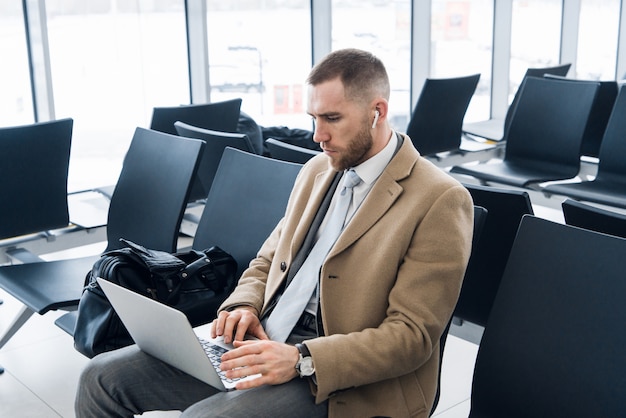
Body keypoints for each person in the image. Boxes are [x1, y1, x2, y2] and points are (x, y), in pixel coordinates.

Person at [75, 48, 474, 418]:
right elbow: (267, 260)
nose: (319, 136)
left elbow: (412, 336)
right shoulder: (317, 171)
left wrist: (302, 358)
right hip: (266, 337)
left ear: (377, 111)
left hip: (336, 375)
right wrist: (243, 306)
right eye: (313, 119)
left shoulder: (438, 199)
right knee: (100, 380)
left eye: (332, 119)